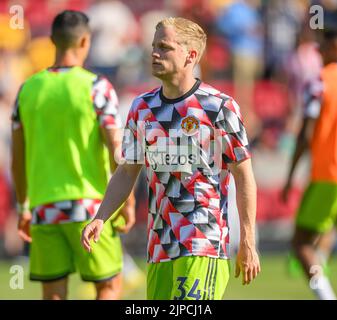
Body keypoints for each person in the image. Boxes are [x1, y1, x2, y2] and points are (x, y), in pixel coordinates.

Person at [82, 17, 260, 300]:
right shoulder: (142, 107)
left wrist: (248, 239)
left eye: (164, 47)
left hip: (203, 240)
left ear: (191, 55)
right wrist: (101, 217)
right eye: (154, 46)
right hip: (160, 245)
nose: (154, 53)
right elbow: (127, 171)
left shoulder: (219, 107)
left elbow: (243, 174)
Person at [11, 10, 135, 300]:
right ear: (85, 42)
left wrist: (23, 206)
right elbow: (115, 148)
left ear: (53, 40)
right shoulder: (96, 86)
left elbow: (17, 156)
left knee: (53, 292)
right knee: (109, 286)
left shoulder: (27, 89)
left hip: (43, 208)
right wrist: (126, 201)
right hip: (90, 206)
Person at [282, 27, 337, 300]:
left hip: (329, 175)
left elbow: (305, 134)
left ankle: (326, 297)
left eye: (323, 48)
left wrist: (290, 176)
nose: (318, 53)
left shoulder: (320, 82)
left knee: (301, 242)